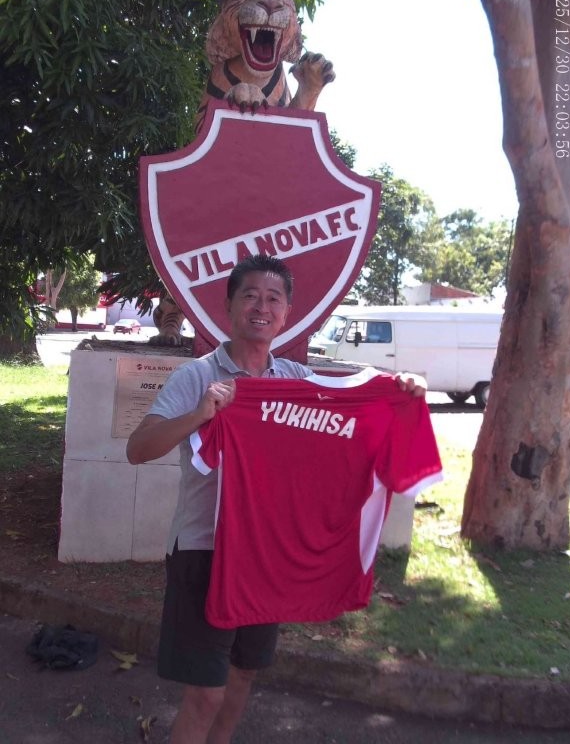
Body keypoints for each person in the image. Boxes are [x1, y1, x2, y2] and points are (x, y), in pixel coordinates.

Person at [126, 254, 426, 744]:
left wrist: (401, 393)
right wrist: (201, 413)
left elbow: (353, 418)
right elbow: (138, 450)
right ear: (228, 306)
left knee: (244, 674)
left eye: (273, 299)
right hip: (204, 551)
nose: (261, 307)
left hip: (267, 556)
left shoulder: (295, 381)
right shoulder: (196, 377)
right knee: (205, 695)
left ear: (287, 313)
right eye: (249, 296)